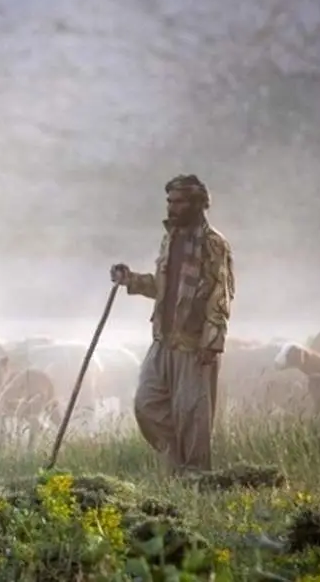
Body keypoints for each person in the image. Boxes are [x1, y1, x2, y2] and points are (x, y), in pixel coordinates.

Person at [110, 174, 234, 474]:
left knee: (193, 416)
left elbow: (221, 293)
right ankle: (176, 465)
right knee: (146, 405)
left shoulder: (214, 244)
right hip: (163, 339)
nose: (171, 207)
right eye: (169, 201)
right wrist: (132, 281)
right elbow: (164, 287)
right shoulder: (170, 239)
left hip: (193, 344)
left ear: (197, 204)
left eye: (178, 202)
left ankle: (195, 480)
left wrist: (212, 341)